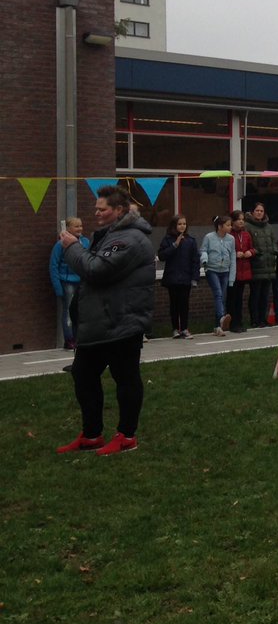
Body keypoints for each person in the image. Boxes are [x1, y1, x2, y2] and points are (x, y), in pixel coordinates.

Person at [56, 185, 155, 455]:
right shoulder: (112, 235)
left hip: (122, 322)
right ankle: (91, 434)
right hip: (101, 323)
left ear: (119, 210)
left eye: (102, 209)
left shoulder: (129, 239)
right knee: (83, 374)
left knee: (125, 378)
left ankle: (127, 436)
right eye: (96, 208)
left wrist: (73, 248)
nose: (96, 213)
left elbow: (96, 270)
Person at [157, 214, 200, 339]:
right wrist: (174, 245)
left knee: (184, 304)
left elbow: (195, 260)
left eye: (184, 224)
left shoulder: (191, 241)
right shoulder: (167, 239)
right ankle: (175, 329)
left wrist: (195, 277)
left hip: (186, 278)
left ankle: (185, 328)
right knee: (174, 304)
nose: (182, 226)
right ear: (174, 225)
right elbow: (161, 256)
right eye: (180, 224)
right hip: (172, 277)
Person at [50, 216, 89, 350]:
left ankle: (80, 337)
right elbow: (53, 265)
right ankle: (69, 339)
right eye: (76, 226)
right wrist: (58, 287)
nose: (80, 229)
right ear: (68, 228)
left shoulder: (85, 242)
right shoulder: (60, 244)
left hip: (82, 282)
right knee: (68, 311)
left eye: (81, 226)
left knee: (82, 311)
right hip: (68, 283)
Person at [199, 215, 235, 336]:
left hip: (225, 270)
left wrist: (232, 277)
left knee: (222, 297)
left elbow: (233, 257)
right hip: (212, 269)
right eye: (228, 225)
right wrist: (205, 260)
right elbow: (203, 250)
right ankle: (221, 318)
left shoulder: (231, 239)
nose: (230, 227)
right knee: (218, 294)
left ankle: (217, 327)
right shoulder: (209, 237)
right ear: (220, 226)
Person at [228, 210, 254, 333]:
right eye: (239, 219)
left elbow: (253, 248)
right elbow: (225, 251)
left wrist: (251, 252)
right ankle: (232, 323)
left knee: (240, 298)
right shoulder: (229, 235)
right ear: (233, 221)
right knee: (232, 298)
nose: (241, 221)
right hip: (233, 271)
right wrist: (235, 254)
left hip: (244, 270)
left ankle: (239, 322)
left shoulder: (246, 235)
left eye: (243, 219)